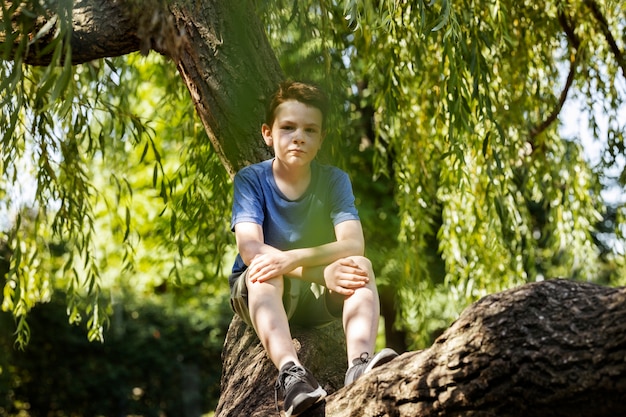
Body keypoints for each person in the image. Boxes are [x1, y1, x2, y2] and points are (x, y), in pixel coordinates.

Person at [228, 80, 398, 417]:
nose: (299, 136)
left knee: (359, 266)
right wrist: (319, 271)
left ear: (320, 139)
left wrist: (302, 263)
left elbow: (352, 242)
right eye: (288, 127)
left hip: (314, 298)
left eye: (310, 129)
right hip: (261, 292)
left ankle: (360, 366)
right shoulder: (251, 180)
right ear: (267, 133)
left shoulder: (334, 180)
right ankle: (291, 375)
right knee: (264, 274)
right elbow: (251, 250)